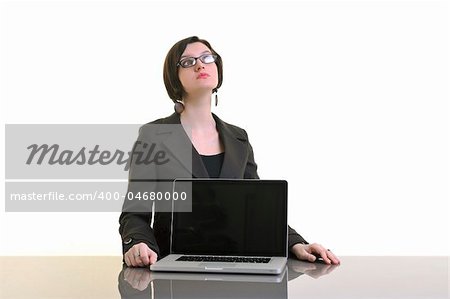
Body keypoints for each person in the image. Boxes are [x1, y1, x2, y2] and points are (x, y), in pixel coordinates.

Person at [119, 36, 340, 267]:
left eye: (207, 58)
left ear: (217, 68)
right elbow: (135, 211)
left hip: (238, 263)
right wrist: (138, 243)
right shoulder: (153, 135)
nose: (200, 64)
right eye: (187, 61)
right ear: (174, 77)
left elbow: (260, 209)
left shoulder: (239, 139)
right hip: (174, 265)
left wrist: (296, 243)